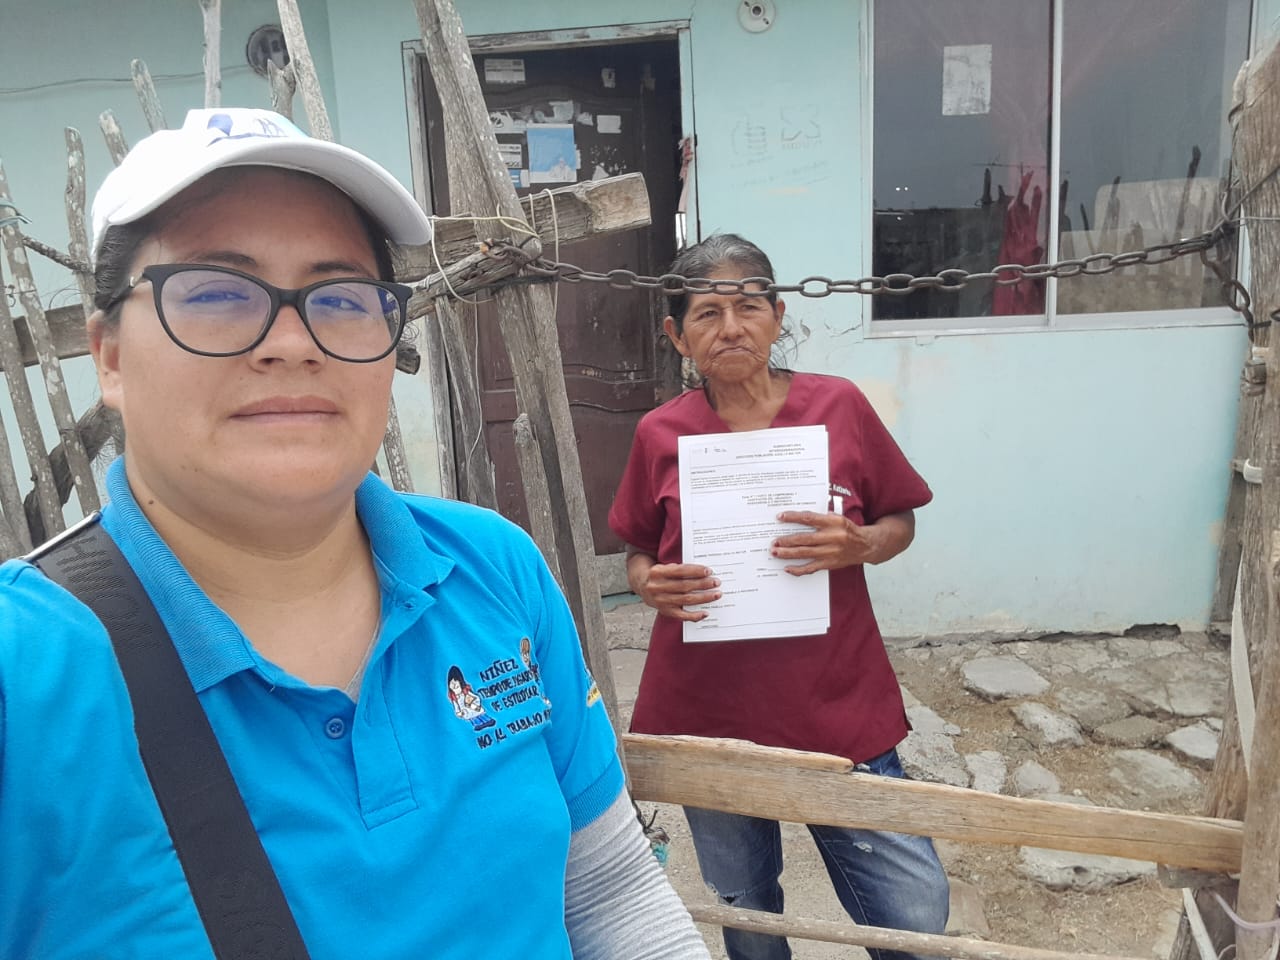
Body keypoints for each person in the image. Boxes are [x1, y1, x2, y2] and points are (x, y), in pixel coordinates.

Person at [0, 107, 709, 960]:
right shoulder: (25, 675)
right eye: (216, 293)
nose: (292, 344)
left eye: (339, 298)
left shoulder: (492, 569)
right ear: (109, 356)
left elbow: (611, 892)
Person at [608, 234, 950, 960]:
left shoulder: (838, 406)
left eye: (748, 307)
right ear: (677, 335)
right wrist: (646, 582)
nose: (730, 328)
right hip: (710, 714)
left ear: (778, 315)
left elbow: (900, 520)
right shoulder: (660, 434)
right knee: (748, 912)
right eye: (707, 314)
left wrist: (861, 543)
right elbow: (637, 549)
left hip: (837, 701)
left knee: (914, 917)